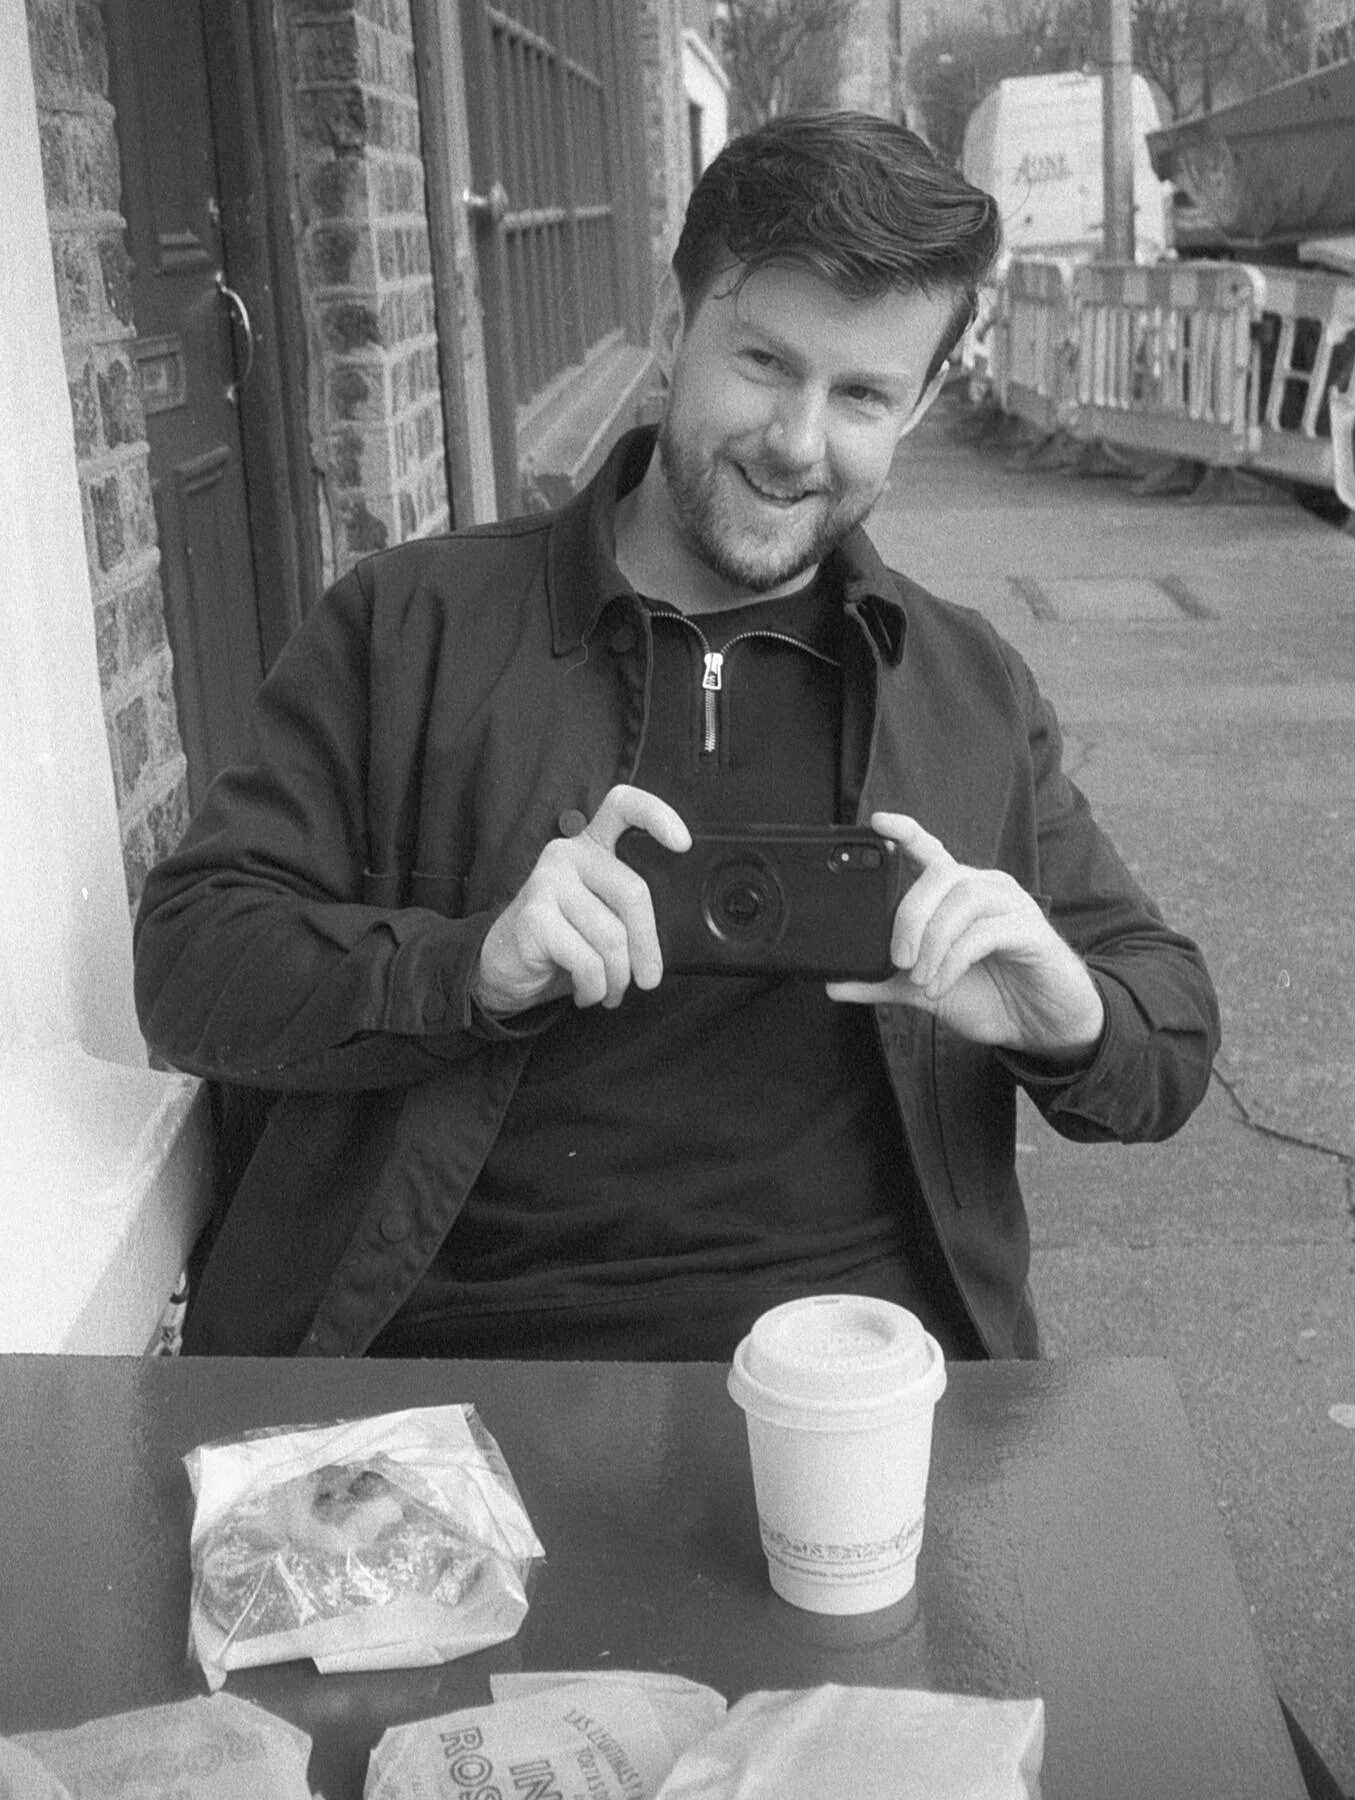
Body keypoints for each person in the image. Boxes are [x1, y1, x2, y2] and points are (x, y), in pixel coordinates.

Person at [132, 111, 1220, 1364]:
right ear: (673, 328)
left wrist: (1064, 1013)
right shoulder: (409, 625)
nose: (798, 443)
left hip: (857, 1376)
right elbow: (191, 962)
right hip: (459, 1361)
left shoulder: (963, 682)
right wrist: (473, 966)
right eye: (763, 363)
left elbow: (1172, 1032)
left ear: (918, 408)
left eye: (862, 393)